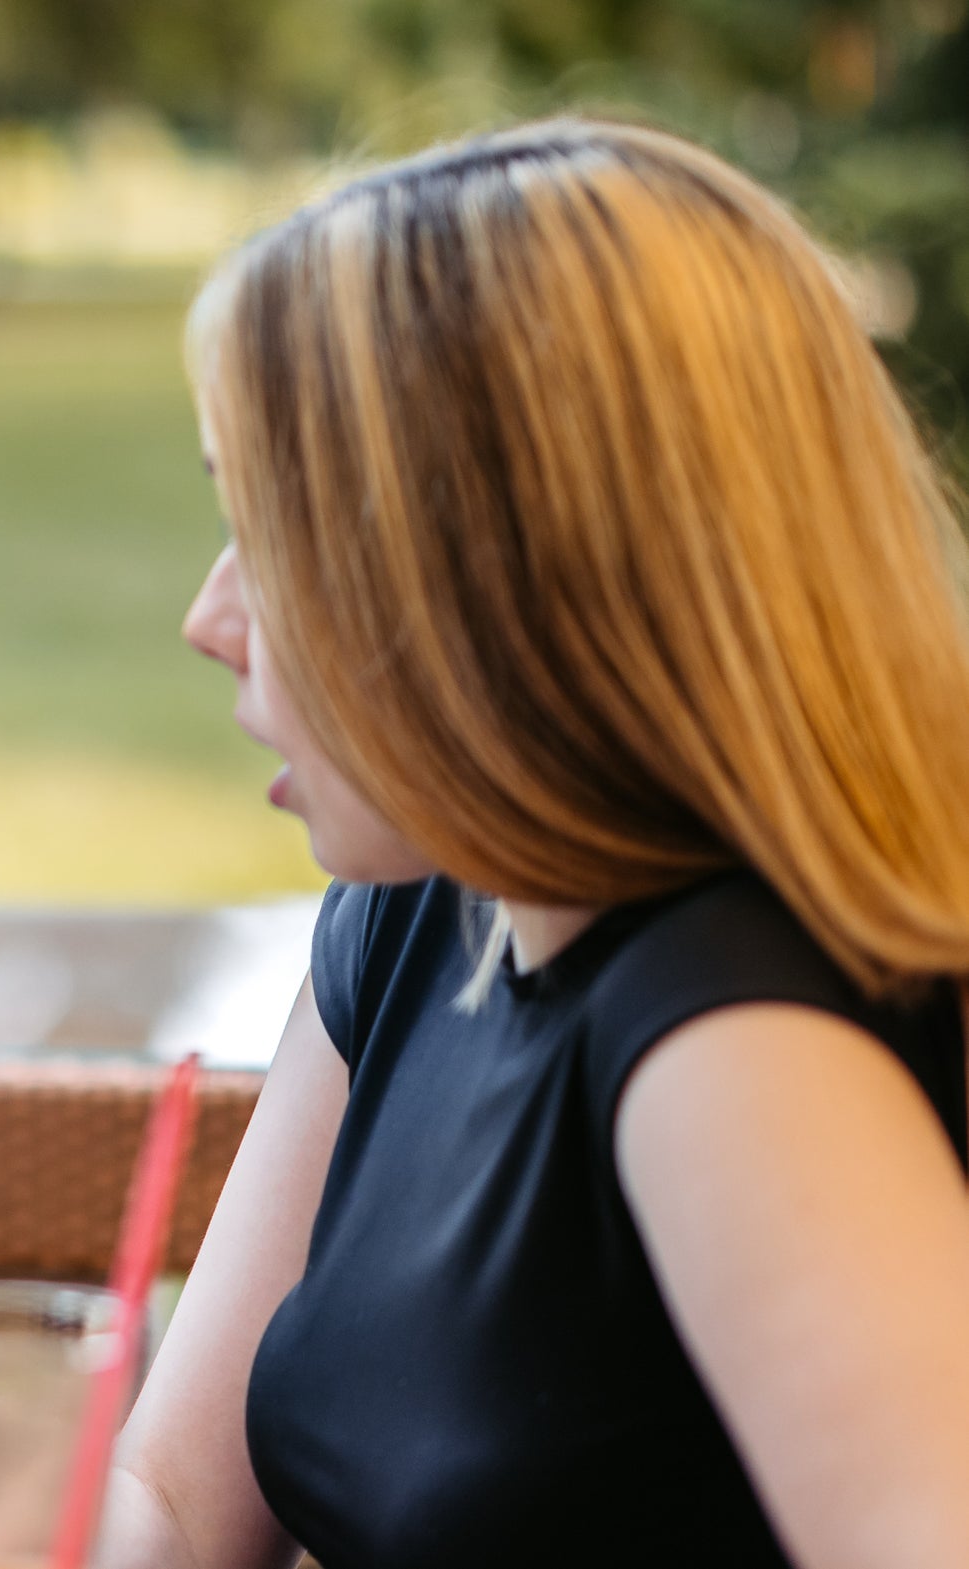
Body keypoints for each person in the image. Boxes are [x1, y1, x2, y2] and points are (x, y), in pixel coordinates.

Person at [91, 120, 969, 1567]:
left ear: (490, 581)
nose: (212, 616)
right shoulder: (434, 903)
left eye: (277, 534)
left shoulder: (734, 1043)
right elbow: (178, 1512)